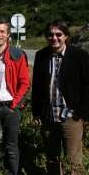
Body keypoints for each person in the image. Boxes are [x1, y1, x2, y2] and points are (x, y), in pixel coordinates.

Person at [32, 20, 89, 174]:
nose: (54, 38)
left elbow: (87, 86)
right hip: (49, 117)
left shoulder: (79, 56)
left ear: (66, 36)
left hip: (71, 117)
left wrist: (81, 114)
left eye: (59, 34)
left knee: (73, 162)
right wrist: (36, 112)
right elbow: (36, 86)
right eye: (50, 35)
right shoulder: (41, 56)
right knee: (52, 159)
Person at [0, 18, 30, 175]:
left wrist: (14, 105)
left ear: (8, 34)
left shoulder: (17, 54)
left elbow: (24, 83)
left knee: (11, 147)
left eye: (2, 31)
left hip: (10, 106)